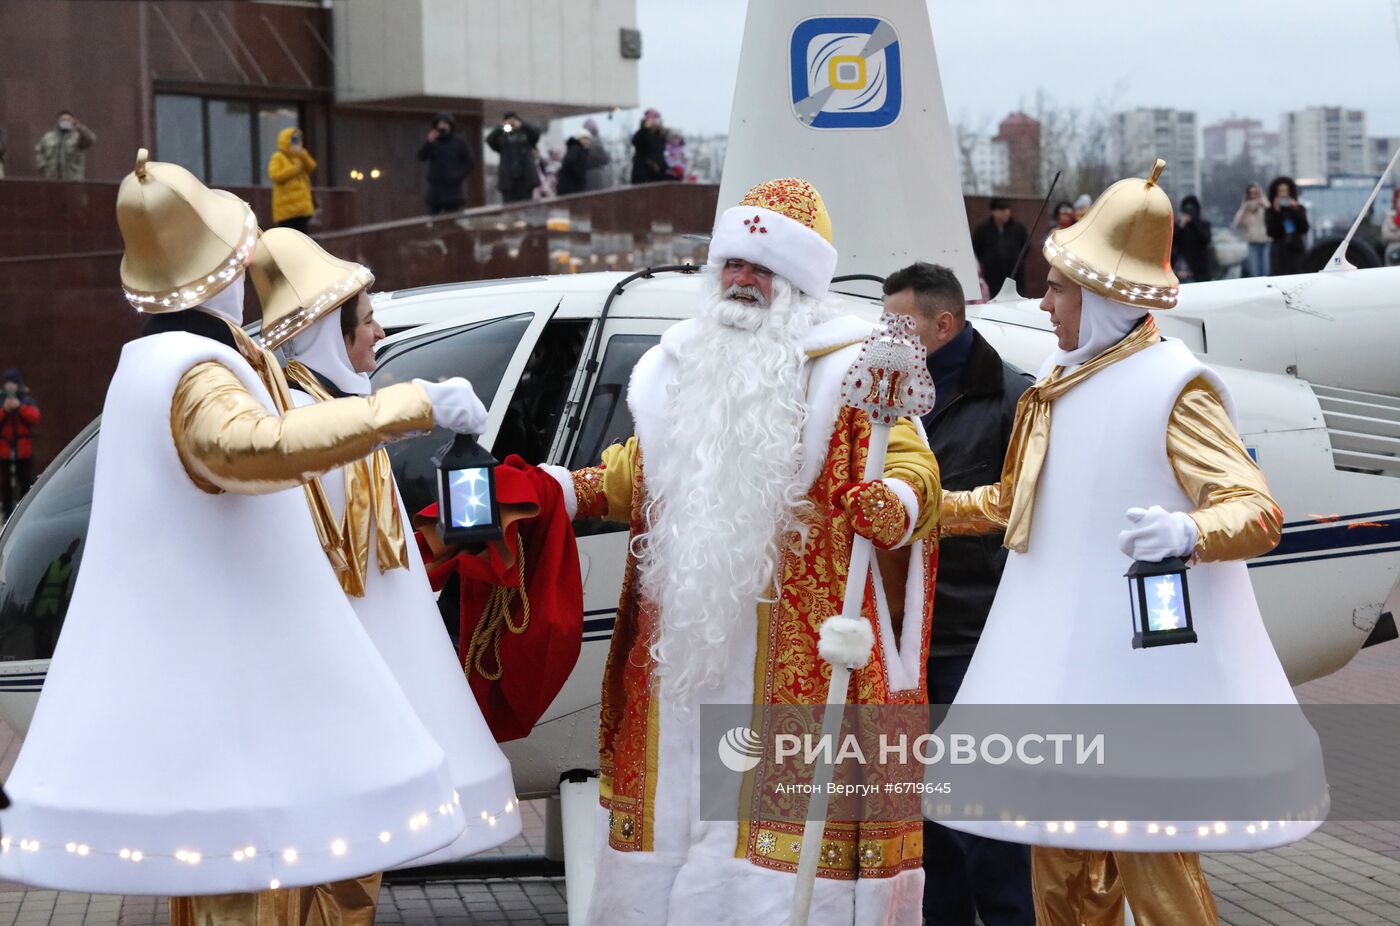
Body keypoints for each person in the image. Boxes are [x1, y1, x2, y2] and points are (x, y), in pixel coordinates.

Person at [0, 149, 493, 922]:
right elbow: (254, 451)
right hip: (238, 695)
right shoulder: (193, 372)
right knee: (257, 885)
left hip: (243, 683)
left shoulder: (179, 362)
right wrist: (413, 406)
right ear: (221, 271)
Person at [542, 177, 942, 926]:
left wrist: (895, 502)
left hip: (791, 647)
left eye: (760, 269)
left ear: (796, 284)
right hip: (688, 643)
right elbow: (647, 466)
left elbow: (914, 469)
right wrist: (559, 492)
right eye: (731, 264)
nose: (740, 281)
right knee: (675, 803)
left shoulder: (847, 369)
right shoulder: (677, 366)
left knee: (768, 852)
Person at [939, 160, 1325, 925]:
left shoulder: (1172, 387)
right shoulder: (1059, 379)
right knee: (1057, 860)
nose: (1045, 305)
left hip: (1136, 679)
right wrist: (920, 507)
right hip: (1057, 667)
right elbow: (1013, 500)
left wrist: (1188, 530)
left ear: (1106, 296)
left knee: (1153, 860)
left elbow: (1254, 509)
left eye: (1059, 290)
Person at [251, 228, 523, 913]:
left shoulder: (329, 415)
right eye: (367, 321)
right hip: (323, 720)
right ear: (330, 338)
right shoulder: (318, 423)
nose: (379, 331)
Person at [882, 263, 1034, 926]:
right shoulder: (882, 400)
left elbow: (1025, 515)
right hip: (901, 645)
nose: (884, 337)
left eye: (899, 323)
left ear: (944, 324)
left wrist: (924, 511)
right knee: (926, 837)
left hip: (972, 644)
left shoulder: (1010, 400)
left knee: (988, 835)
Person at [0, 368, 40, 518]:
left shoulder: (26, 400)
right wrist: (4, 410)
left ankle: (24, 512)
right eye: (7, 383)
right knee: (5, 484)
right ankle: (7, 512)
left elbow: (35, 417)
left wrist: (19, 408)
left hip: (23, 449)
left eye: (13, 383)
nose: (10, 386)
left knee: (25, 481)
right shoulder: (1, 400)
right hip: (4, 449)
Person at [418, 112, 475, 215]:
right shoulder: (433, 143)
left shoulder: (459, 142)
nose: (442, 127)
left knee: (453, 221)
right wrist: (429, 142)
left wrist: (457, 175)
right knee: (433, 222)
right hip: (435, 191)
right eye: (439, 124)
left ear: (450, 126)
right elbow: (421, 156)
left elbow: (469, 163)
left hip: (453, 192)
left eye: (445, 124)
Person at [971, 198, 1029, 298]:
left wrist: (1017, 259)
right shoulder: (983, 230)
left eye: (1007, 209)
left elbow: (1026, 246)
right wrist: (987, 260)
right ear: (993, 211)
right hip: (992, 276)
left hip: (1015, 275)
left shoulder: (1018, 228)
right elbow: (977, 248)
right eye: (1001, 210)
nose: (1006, 213)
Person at [267, 127, 317, 232]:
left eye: (298, 140)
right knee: (289, 239)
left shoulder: (300, 156)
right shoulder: (278, 157)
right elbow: (275, 175)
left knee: (302, 239)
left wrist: (302, 153)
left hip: (302, 208)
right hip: (286, 210)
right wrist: (294, 169)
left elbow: (312, 167)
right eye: (294, 140)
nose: (297, 143)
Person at [485, 112, 541, 204]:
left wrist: (522, 125)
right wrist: (501, 127)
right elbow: (490, 140)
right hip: (508, 181)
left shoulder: (526, 134)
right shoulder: (502, 136)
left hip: (525, 179)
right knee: (509, 209)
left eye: (513, 121)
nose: (511, 124)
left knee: (526, 207)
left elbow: (536, 134)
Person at [1266, 175, 1310, 276]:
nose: (1283, 194)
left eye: (1285, 191)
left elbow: (1304, 228)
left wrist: (1296, 210)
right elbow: (1271, 232)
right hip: (1279, 251)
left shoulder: (1299, 208)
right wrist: (1276, 212)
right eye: (1280, 191)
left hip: (1296, 249)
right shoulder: (1270, 211)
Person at [33, 110, 96, 180]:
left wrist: (80, 127)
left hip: (73, 180)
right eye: (62, 119)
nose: (65, 121)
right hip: (52, 179)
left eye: (68, 119)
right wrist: (42, 165)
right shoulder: (48, 137)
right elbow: (38, 151)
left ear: (73, 121)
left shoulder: (78, 137)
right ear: (58, 121)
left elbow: (91, 139)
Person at [1172, 194, 1213, 282]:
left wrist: (1194, 223)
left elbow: (1206, 240)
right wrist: (1180, 226)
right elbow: (1172, 243)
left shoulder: (1203, 225)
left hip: (1200, 267)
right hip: (1183, 268)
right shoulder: (1179, 225)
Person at [1234, 183, 1271, 278]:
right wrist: (1244, 210)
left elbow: (1273, 217)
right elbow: (1238, 224)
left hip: (1266, 241)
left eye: (1255, 193)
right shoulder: (1246, 208)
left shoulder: (1265, 205)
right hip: (1253, 242)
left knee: (1266, 270)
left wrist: (1264, 204)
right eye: (1251, 193)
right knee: (1255, 272)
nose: (1253, 195)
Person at [629, 108, 668, 184]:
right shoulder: (642, 132)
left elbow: (661, 152)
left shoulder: (661, 134)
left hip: (657, 171)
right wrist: (645, 129)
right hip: (642, 171)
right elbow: (635, 141)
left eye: (655, 118)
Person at [582, 117, 613, 191]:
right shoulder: (595, 140)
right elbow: (604, 158)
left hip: (585, 176)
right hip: (596, 175)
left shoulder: (582, 142)